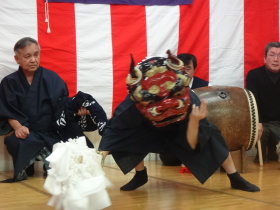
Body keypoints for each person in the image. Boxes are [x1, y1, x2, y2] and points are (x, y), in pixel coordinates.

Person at [98, 50, 260, 192]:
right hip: (149, 130)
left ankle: (235, 177)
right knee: (123, 136)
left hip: (180, 131)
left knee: (212, 135)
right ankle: (140, 175)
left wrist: (195, 121)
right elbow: (114, 131)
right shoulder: (136, 102)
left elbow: (193, 143)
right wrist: (98, 158)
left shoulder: (189, 99)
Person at [0, 37, 108, 182]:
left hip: (51, 133)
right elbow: (7, 110)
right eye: (27, 56)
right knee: (14, 141)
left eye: (36, 54)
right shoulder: (9, 82)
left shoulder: (52, 79)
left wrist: (77, 113)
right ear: (17, 58)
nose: (33, 59)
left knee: (59, 163)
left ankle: (46, 165)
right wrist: (18, 127)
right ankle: (27, 165)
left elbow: (62, 108)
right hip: (26, 133)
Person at [159, 53, 210, 166]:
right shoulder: (167, 86)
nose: (185, 71)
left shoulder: (206, 87)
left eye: (188, 68)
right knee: (169, 161)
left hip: (198, 132)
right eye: (181, 68)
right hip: (175, 136)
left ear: (194, 70)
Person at [246, 42, 280, 162]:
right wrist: (258, 122)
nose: (276, 59)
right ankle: (264, 152)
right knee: (261, 133)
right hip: (261, 122)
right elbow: (252, 101)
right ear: (265, 58)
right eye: (272, 55)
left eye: (279, 55)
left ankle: (273, 151)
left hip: (278, 123)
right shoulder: (254, 75)